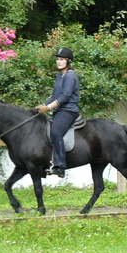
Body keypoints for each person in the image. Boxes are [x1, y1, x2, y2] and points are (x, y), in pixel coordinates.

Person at [35, 47, 80, 178]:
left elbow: (65, 96)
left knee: (56, 132)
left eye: (61, 59)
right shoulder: (60, 76)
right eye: (57, 59)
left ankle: (60, 166)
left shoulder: (71, 76)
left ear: (68, 61)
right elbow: (54, 96)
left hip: (68, 111)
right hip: (59, 110)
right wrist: (41, 106)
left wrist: (48, 108)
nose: (58, 62)